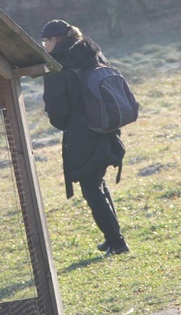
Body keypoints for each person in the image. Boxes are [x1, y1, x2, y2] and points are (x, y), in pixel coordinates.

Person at [41, 19, 129, 255]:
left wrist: (66, 123)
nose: (44, 46)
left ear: (55, 40)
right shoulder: (92, 51)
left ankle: (117, 242)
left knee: (91, 186)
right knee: (97, 182)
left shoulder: (57, 65)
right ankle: (112, 237)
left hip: (82, 133)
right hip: (107, 127)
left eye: (45, 41)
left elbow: (57, 110)